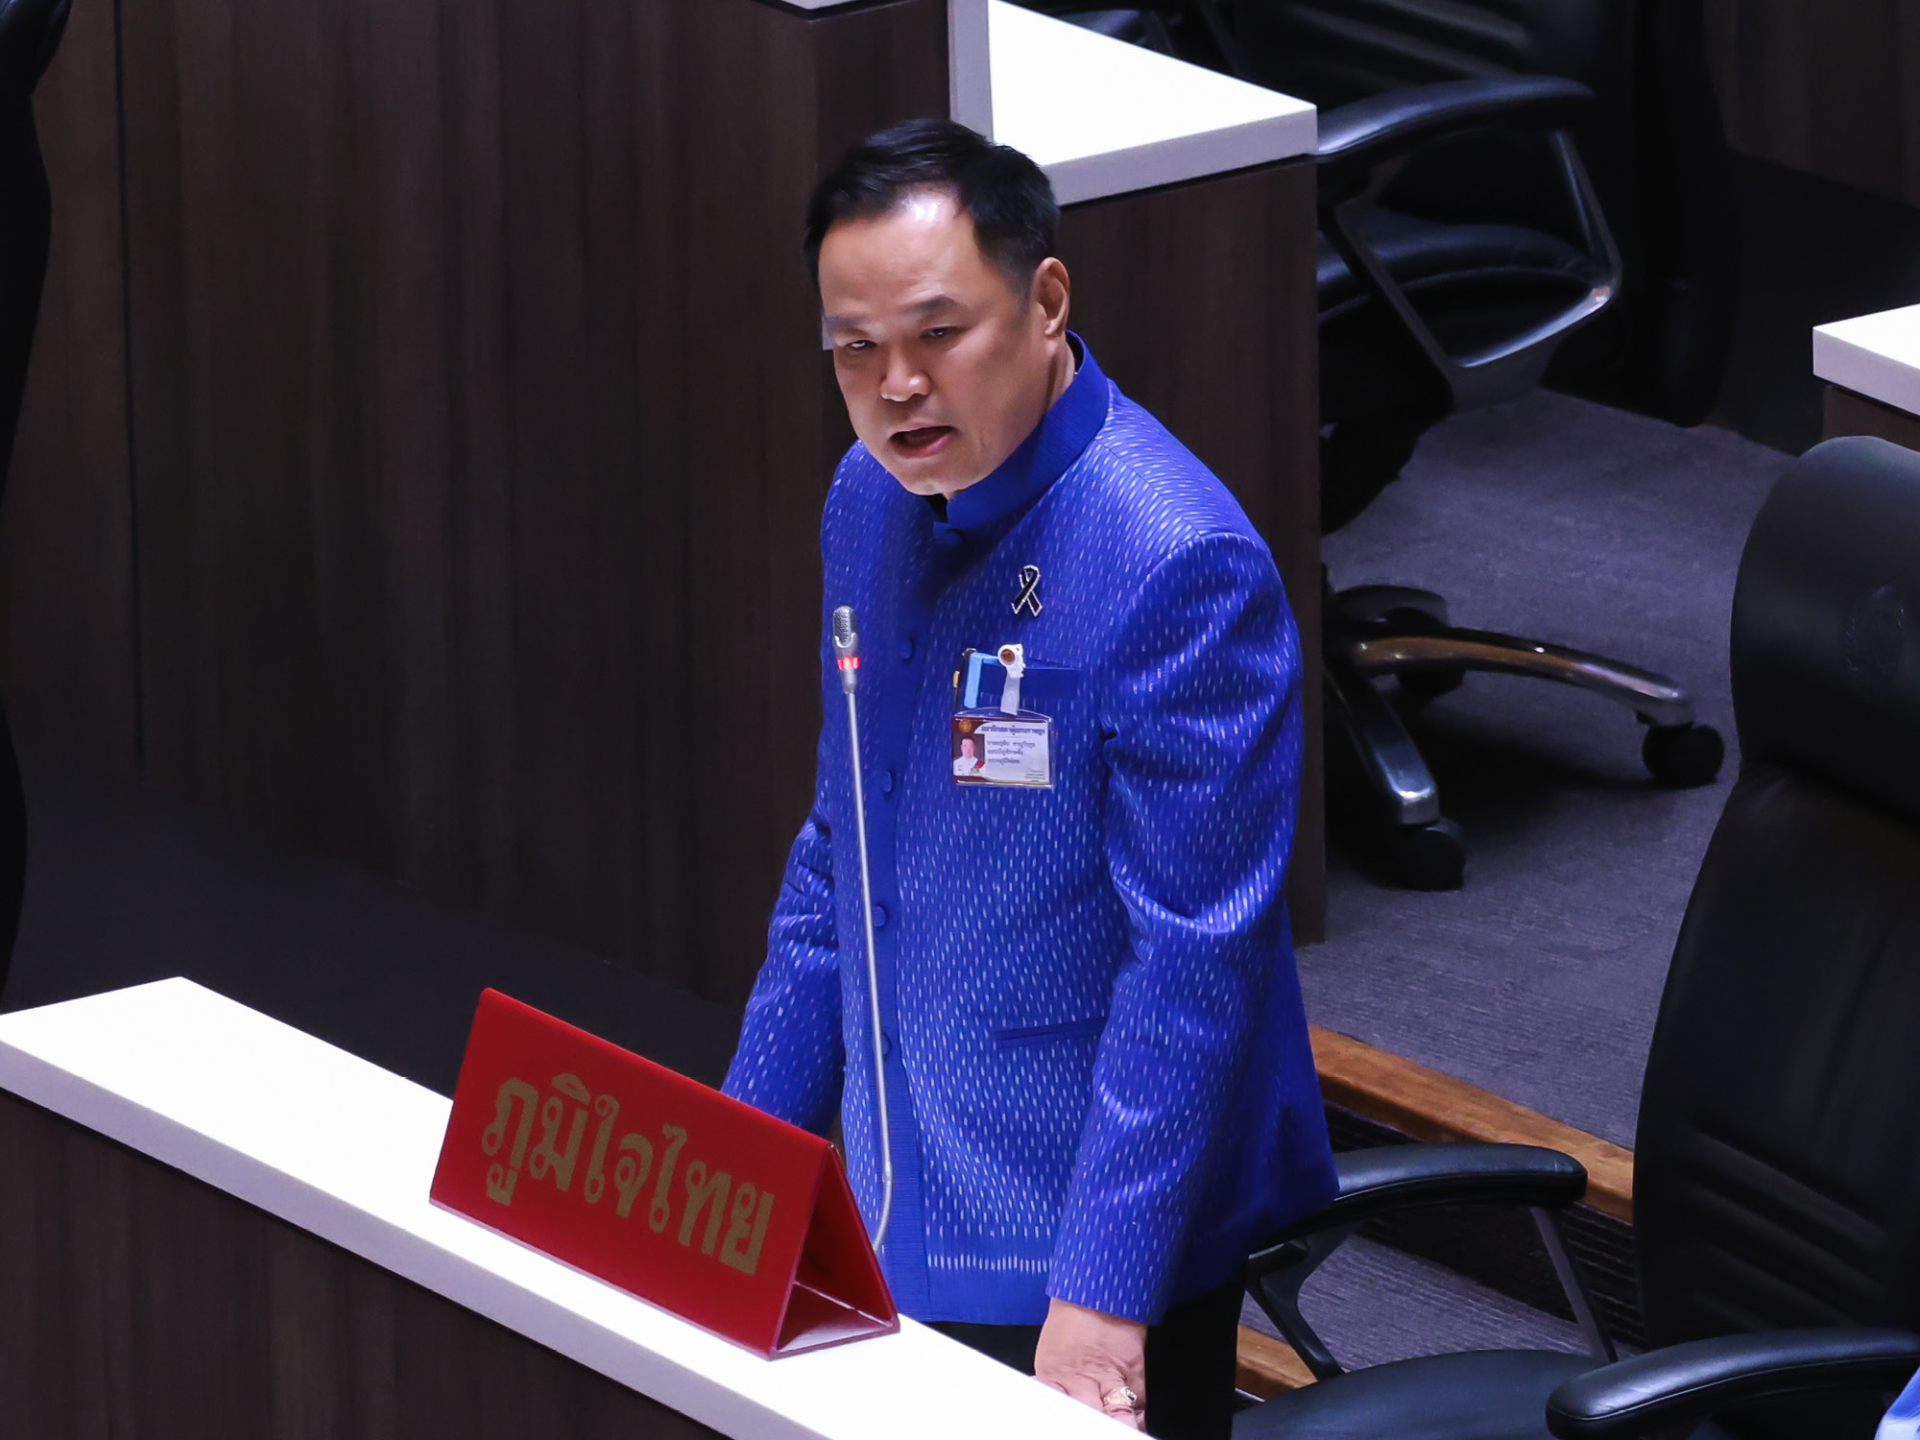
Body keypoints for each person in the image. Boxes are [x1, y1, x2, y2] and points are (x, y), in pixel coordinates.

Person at [723, 119, 1335, 1439]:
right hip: (899, 1158)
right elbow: (843, 847)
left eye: (939, 333)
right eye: (853, 348)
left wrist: (1104, 1291)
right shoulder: (866, 498)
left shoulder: (1178, 566)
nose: (897, 386)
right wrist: (735, 1160)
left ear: (1047, 300)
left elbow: (1194, 961)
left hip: (1087, 1212)